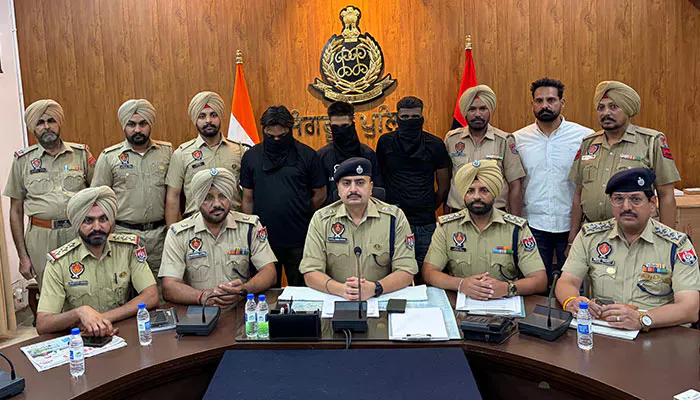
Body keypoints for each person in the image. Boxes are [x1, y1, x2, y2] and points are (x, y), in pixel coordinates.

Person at [556, 168, 699, 331]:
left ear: (652, 204)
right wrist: (571, 301)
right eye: (618, 199)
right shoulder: (590, 237)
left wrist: (642, 319)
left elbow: (690, 308)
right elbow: (567, 281)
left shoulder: (676, 244)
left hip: (658, 332)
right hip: (606, 330)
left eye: (635, 199)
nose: (626, 207)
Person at [568, 81, 681, 245]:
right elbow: (578, 194)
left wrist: (667, 243)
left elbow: (666, 195)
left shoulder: (651, 142)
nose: (606, 113)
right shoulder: (588, 144)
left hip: (635, 237)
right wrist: (572, 239)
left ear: (627, 110)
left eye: (613, 107)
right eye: (601, 108)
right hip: (592, 236)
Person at [36, 186, 158, 336]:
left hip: (121, 332)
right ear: (77, 223)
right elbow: (43, 324)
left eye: (103, 219)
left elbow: (151, 296)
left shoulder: (128, 249)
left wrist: (100, 319)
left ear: (111, 221)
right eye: (88, 221)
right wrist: (79, 313)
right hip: (82, 338)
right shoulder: (59, 262)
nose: (97, 227)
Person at [4, 99, 95, 288]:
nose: (46, 127)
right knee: (49, 293)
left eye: (51, 121)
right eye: (40, 122)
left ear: (59, 122)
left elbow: (98, 198)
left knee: (87, 288)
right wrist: (22, 256)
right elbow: (16, 211)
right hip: (41, 239)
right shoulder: (23, 161)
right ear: (33, 128)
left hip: (78, 234)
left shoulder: (81, 154)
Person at [423, 160, 547, 299]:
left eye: (484, 190)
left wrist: (507, 288)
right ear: (464, 195)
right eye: (470, 191)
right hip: (461, 303)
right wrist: (461, 284)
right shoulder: (447, 227)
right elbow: (429, 273)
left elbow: (540, 280)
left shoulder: (516, 229)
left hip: (503, 304)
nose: (476, 196)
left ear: (494, 193)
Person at [513, 78, 594, 286]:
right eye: (539, 101)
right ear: (532, 104)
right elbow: (515, 185)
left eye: (551, 100)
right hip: (533, 225)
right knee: (535, 287)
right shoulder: (518, 139)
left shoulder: (584, 137)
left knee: (573, 287)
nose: (545, 106)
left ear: (562, 102)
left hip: (572, 225)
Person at [300, 157, 418, 300]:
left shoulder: (394, 218)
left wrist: (375, 288)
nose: (353, 189)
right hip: (337, 298)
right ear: (338, 189)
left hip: (381, 297)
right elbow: (310, 271)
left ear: (371, 187)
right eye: (346, 183)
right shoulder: (321, 219)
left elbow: (406, 270)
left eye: (360, 182)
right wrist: (342, 290)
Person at [160, 168, 277, 307]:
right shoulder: (178, 234)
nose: (216, 204)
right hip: (199, 310)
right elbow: (169, 286)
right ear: (198, 200)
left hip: (241, 308)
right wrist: (202, 296)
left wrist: (244, 290)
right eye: (208, 198)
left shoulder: (250, 227)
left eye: (222, 196)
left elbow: (269, 273)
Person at [241, 106, 327, 287]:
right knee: (265, 291)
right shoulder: (251, 156)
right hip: (262, 240)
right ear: (263, 130)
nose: (276, 140)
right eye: (270, 136)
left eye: (281, 136)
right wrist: (249, 230)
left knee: (302, 291)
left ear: (290, 130)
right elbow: (247, 198)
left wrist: (302, 210)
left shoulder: (308, 155)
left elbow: (320, 193)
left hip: (299, 238)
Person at [92, 99, 172, 280]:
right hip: (124, 236)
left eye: (143, 124)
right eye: (131, 124)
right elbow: (98, 202)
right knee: (125, 286)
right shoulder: (109, 157)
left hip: (160, 237)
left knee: (161, 286)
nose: (137, 130)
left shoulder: (166, 152)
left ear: (150, 124)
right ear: (124, 126)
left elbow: (175, 195)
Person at [376, 96, 451, 281]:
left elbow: (443, 187)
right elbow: (380, 180)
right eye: (405, 117)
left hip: (425, 224)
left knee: (427, 277)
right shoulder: (385, 142)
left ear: (422, 117)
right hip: (393, 221)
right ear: (397, 118)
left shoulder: (435, 144)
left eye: (415, 117)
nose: (410, 121)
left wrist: (426, 206)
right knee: (395, 275)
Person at [165, 91, 246, 225]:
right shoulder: (181, 154)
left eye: (213, 115)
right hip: (196, 226)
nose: (208, 120)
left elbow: (248, 193)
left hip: (233, 224)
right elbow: (173, 196)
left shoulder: (238, 150)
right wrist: (171, 232)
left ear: (220, 117)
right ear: (195, 120)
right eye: (202, 116)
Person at [444, 85, 525, 215]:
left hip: (495, 215)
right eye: (472, 109)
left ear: (490, 110)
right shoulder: (452, 139)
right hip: (459, 214)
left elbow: (515, 184)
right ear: (465, 112)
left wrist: (515, 221)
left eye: (483, 109)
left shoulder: (504, 140)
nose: (477, 114)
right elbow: (446, 179)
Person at [317, 101, 383, 204]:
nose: (340, 131)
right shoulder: (322, 156)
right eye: (335, 127)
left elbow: (377, 189)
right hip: (333, 212)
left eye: (344, 126)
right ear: (329, 126)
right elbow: (319, 192)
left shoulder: (367, 154)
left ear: (353, 123)